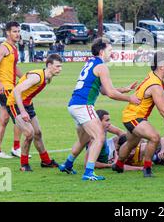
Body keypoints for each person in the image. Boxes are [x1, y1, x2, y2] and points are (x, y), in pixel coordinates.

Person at [58, 38, 140, 181]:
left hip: (74, 105)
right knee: (100, 136)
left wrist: (123, 89)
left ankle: (67, 164)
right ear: (102, 51)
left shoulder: (91, 62)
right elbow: (110, 93)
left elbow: (102, 90)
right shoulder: (102, 66)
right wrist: (129, 98)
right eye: (110, 50)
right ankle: (89, 172)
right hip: (83, 105)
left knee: (84, 139)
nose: (112, 53)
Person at [112, 51, 164, 178]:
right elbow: (163, 111)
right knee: (154, 137)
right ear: (162, 66)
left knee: (131, 143)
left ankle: (118, 165)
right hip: (134, 117)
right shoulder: (156, 86)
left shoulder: (156, 76)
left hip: (131, 115)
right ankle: (147, 168)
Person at [6, 54, 63, 171]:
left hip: (27, 104)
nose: (60, 69)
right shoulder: (38, 77)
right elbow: (17, 90)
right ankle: (24, 164)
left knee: (38, 133)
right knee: (29, 133)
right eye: (57, 66)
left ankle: (46, 161)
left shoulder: (48, 77)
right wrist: (23, 111)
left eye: (61, 66)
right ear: (49, 65)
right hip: (15, 104)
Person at [0, 21, 23, 159]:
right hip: (6, 88)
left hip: (10, 87)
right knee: (20, 117)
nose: (17, 34)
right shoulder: (3, 48)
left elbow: (13, 68)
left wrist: (26, 77)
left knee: (4, 119)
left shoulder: (13, 48)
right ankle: (16, 148)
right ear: (8, 32)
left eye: (18, 31)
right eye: (14, 31)